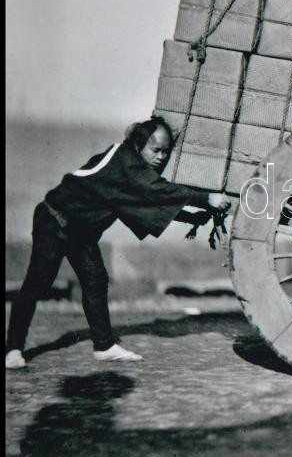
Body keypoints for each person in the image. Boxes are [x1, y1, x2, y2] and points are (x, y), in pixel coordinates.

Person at [5, 117, 231, 369]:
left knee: (95, 279)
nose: (161, 157)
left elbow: (147, 200)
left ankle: (103, 346)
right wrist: (207, 198)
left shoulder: (132, 168)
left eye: (165, 152)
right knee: (37, 284)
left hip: (80, 232)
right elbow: (157, 191)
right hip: (54, 220)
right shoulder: (125, 162)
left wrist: (192, 216)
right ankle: (12, 349)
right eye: (155, 150)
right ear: (138, 145)